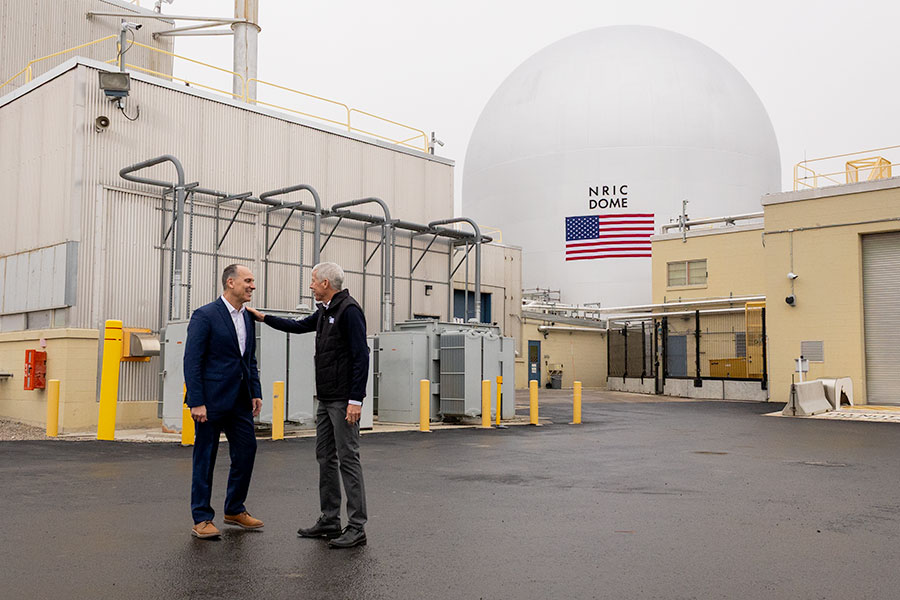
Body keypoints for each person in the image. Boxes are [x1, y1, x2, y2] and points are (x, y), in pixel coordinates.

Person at [247, 261, 369, 549]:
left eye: (313, 281)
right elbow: (299, 326)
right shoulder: (325, 311)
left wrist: (356, 399)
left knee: (348, 459)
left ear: (326, 283)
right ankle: (330, 519)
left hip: (342, 400)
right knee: (325, 458)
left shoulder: (348, 310)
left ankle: (357, 526)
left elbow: (361, 356)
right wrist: (264, 318)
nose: (311, 285)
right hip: (326, 399)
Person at [184, 264, 264, 539]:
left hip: (240, 400)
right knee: (205, 457)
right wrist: (196, 401)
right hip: (210, 401)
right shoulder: (205, 315)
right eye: (248, 281)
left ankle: (234, 509)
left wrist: (255, 391)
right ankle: (202, 518)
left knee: (246, 451)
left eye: (253, 281)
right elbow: (192, 361)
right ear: (230, 282)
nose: (252, 286)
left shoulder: (248, 318)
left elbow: (248, 359)